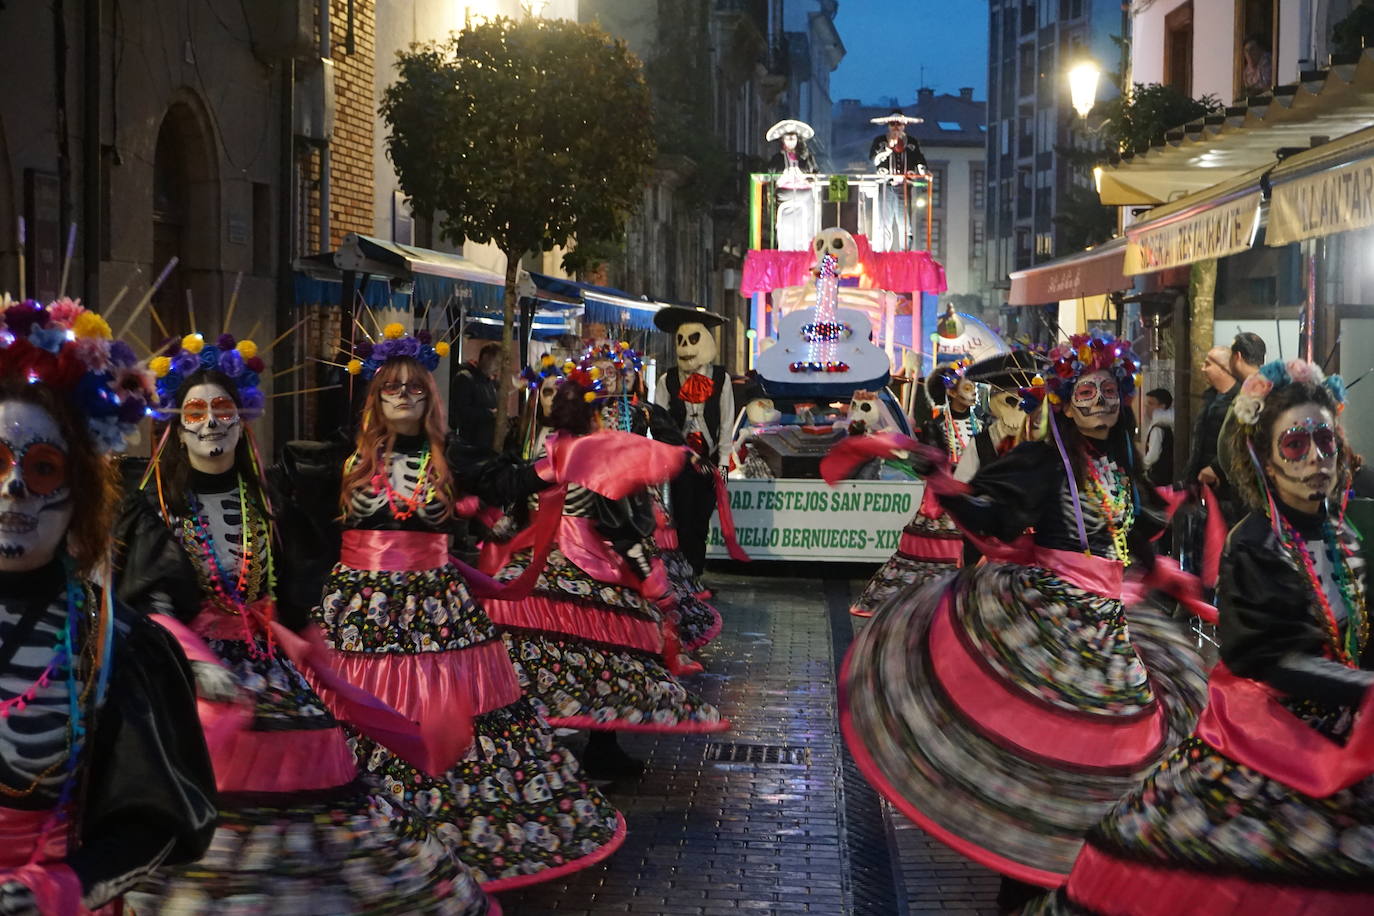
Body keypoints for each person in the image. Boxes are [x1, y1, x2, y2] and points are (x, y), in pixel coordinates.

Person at [117, 332, 492, 913]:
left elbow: (290, 591)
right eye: (197, 412)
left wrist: (309, 642)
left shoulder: (269, 503)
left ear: (243, 421)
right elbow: (151, 601)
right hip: (185, 675)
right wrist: (194, 658)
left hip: (269, 669)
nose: (212, 424)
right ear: (177, 424)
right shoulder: (153, 509)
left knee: (313, 758)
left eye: (225, 411)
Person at [838, 331, 1208, 901]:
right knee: (1050, 752)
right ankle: (1024, 883)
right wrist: (940, 479)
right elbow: (996, 518)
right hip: (1054, 626)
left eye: (1110, 389)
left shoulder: (1119, 461)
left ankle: (1082, 869)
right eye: (1087, 389)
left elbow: (1129, 538)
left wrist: (1166, 576)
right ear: (1063, 398)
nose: (1102, 401)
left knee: (1117, 754)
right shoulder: (1042, 461)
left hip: (1111, 633)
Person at [283, 330, 625, 890]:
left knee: (447, 713)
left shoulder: (451, 454)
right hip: (355, 609)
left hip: (435, 610)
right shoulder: (341, 457)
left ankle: (451, 832)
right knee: (350, 713)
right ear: (374, 397)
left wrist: (562, 462)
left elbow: (508, 479)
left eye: (412, 389)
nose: (400, 397)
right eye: (389, 388)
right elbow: (306, 529)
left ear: (428, 397)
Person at [1028, 358, 1374, 914]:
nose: (1316, 459)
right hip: (1269, 737)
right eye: (1295, 444)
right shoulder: (1256, 543)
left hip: (1350, 730)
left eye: (1325, 442)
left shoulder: (1347, 534)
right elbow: (1260, 655)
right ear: (1262, 456)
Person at [0, 297, 216, 914]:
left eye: (41, 469)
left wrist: (65, 885)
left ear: (80, 494)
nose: (12, 487)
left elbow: (161, 817)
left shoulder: (112, 640)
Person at [482, 367, 729, 779]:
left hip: (544, 562)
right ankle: (596, 743)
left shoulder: (551, 453)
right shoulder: (583, 455)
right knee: (613, 653)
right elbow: (615, 523)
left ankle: (556, 737)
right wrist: (644, 571)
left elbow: (513, 492)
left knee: (539, 651)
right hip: (582, 562)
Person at [846, 361, 981, 618]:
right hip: (945, 497)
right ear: (951, 392)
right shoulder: (936, 425)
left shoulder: (982, 423)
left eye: (974, 386)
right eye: (967, 386)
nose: (973, 391)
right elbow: (931, 463)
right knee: (938, 551)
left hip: (975, 493)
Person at [652, 306, 734, 595]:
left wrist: (723, 463)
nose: (686, 348)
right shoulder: (667, 380)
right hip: (681, 461)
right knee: (683, 520)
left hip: (710, 462)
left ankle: (694, 573)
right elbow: (659, 421)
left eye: (693, 339)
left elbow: (726, 422)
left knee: (701, 520)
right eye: (681, 341)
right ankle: (688, 576)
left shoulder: (721, 379)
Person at [867, 110, 928, 252]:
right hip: (885, 185)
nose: (896, 127)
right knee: (884, 222)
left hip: (904, 186)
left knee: (904, 222)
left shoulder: (911, 142)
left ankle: (905, 252)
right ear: (888, 125)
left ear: (904, 125)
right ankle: (882, 253)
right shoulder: (880, 141)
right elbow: (874, 159)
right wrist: (887, 149)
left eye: (899, 124)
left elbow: (919, 159)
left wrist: (923, 171)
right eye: (893, 124)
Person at [766, 119, 819, 251]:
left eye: (793, 138)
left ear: (798, 140)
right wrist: (783, 177)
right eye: (788, 138)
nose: (790, 141)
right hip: (785, 194)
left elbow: (815, 175)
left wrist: (803, 177)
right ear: (782, 140)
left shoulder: (807, 157)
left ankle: (807, 248)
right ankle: (785, 248)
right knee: (786, 227)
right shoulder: (777, 158)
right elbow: (770, 176)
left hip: (805, 194)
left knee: (806, 224)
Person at [452, 342, 501, 450]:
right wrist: (489, 413)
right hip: (470, 443)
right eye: (496, 362)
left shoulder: (491, 383)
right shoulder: (465, 378)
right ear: (485, 358)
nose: (498, 367)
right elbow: (462, 411)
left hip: (488, 443)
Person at [1142, 388, 1174, 487]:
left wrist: (1141, 466)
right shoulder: (1162, 424)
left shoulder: (1158, 427)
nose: (1147, 407)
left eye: (1151, 404)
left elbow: (1153, 455)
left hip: (1158, 477)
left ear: (1162, 407)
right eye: (1147, 403)